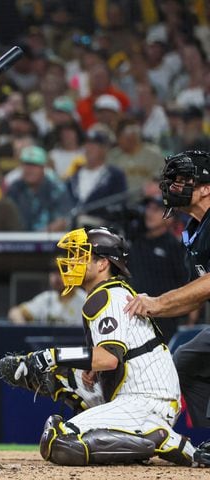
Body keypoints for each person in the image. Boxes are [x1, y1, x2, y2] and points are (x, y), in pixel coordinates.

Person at [4, 227, 196, 466]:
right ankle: (138, 436)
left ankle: (156, 436)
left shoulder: (108, 296)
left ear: (103, 263)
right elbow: (111, 357)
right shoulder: (107, 293)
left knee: (61, 440)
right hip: (135, 394)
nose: (73, 261)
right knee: (58, 374)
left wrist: (51, 355)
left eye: (81, 256)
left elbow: (109, 359)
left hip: (147, 401)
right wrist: (75, 365)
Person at [124, 151, 210, 466]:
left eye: (185, 180)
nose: (174, 186)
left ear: (206, 188)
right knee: (185, 361)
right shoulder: (195, 229)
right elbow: (193, 294)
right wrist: (148, 311)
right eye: (173, 180)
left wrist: (158, 302)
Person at [127, 195, 191, 339]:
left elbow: (187, 282)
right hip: (133, 313)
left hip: (164, 318)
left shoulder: (175, 247)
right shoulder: (136, 241)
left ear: (170, 218)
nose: (150, 213)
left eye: (156, 210)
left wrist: (190, 319)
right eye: (149, 208)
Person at [6, 145, 71, 232]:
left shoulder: (56, 189)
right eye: (26, 165)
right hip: (18, 240)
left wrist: (39, 238)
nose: (29, 170)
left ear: (43, 168)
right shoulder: (15, 188)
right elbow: (7, 217)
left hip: (49, 241)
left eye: (34, 165)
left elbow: (63, 221)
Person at [7, 270, 84, 326]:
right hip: (50, 347)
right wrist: (24, 330)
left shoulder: (85, 299)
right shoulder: (47, 297)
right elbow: (15, 312)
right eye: (54, 273)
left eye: (61, 272)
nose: (56, 278)